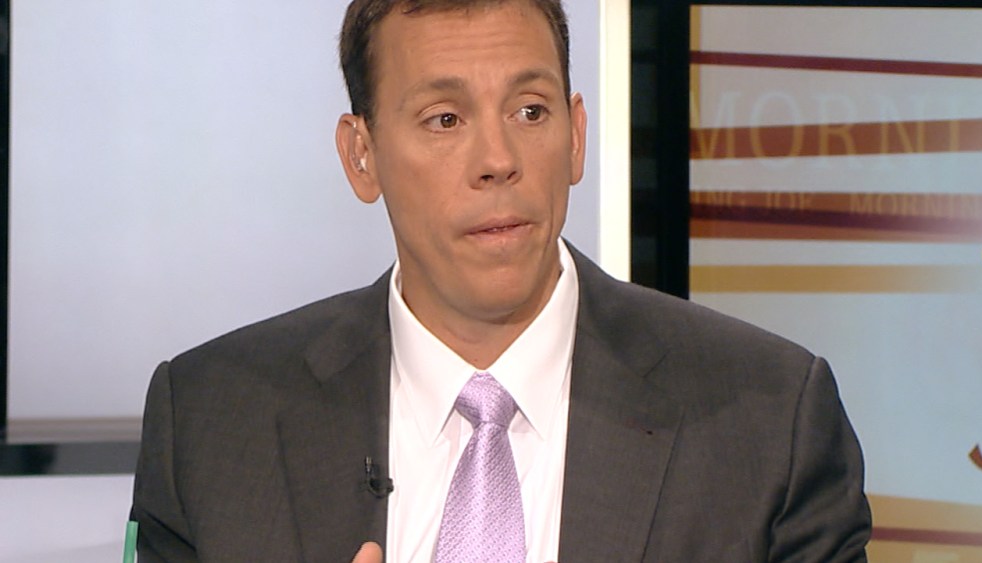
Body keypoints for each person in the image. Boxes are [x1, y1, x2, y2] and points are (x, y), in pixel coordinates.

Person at [130, 0, 872, 561]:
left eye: (529, 110)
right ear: (362, 155)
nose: (497, 159)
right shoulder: (210, 422)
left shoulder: (770, 420)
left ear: (576, 137)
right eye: (445, 119)